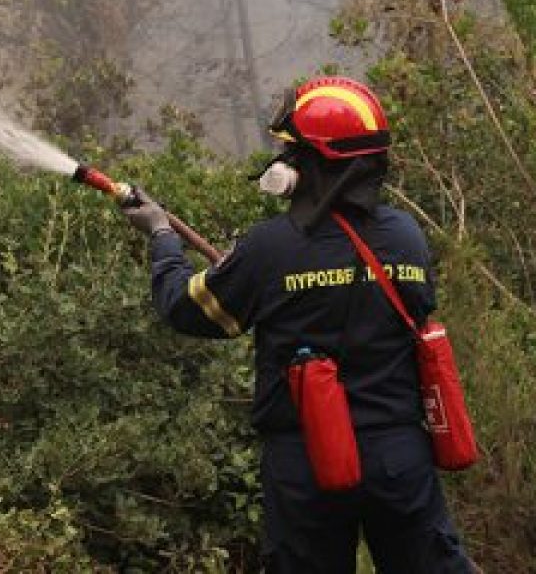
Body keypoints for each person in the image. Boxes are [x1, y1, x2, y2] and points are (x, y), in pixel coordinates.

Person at [123, 75, 474, 573]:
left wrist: (161, 236)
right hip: (400, 457)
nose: (282, 163)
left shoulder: (271, 246)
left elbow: (186, 309)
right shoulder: (406, 236)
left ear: (313, 164)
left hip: (308, 464)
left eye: (291, 152)